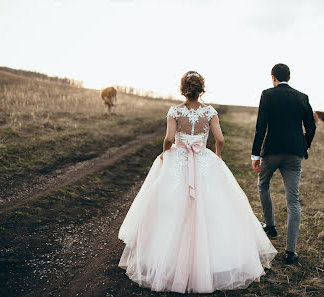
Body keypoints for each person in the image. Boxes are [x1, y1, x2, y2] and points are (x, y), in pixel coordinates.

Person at [118, 71, 277, 293]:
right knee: (212, 207)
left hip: (180, 159)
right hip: (203, 159)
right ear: (201, 89)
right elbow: (220, 139)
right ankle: (212, 262)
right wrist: (217, 156)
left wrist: (166, 153)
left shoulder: (174, 111)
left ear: (183, 88)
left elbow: (169, 139)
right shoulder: (210, 112)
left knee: (171, 206)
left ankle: (165, 259)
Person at [251, 63, 316, 264]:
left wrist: (255, 154)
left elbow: (261, 126)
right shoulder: (302, 97)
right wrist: (304, 146)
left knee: (263, 184)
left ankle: (270, 226)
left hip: (271, 151)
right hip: (294, 154)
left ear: (273, 78)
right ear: (289, 77)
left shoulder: (267, 95)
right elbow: (311, 126)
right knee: (293, 200)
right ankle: (291, 252)